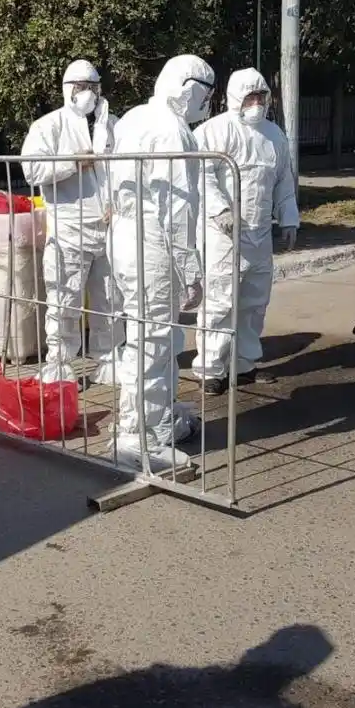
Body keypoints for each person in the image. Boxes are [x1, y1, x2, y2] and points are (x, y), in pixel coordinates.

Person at [107, 54, 215, 471]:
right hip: (154, 244)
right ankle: (144, 437)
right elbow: (177, 211)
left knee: (143, 336)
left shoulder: (133, 117)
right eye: (205, 94)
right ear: (187, 89)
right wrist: (192, 273)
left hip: (125, 239)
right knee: (154, 341)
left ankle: (146, 420)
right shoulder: (174, 131)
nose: (205, 104)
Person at [192, 68, 300, 394]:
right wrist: (220, 210)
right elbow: (200, 174)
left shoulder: (274, 136)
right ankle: (211, 369)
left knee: (254, 302)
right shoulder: (213, 131)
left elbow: (283, 180)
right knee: (220, 302)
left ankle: (244, 364)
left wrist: (289, 217)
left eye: (261, 97)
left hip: (259, 233)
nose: (256, 104)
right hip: (221, 233)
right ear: (235, 98)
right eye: (250, 97)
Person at [21, 59, 122, 386]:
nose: (87, 94)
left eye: (92, 87)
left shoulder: (112, 125)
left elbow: (126, 173)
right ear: (67, 89)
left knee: (110, 301)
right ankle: (59, 366)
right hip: (68, 231)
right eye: (79, 87)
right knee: (64, 301)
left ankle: (109, 360)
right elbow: (31, 171)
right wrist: (72, 163)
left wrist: (118, 205)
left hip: (108, 229)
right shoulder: (48, 127)